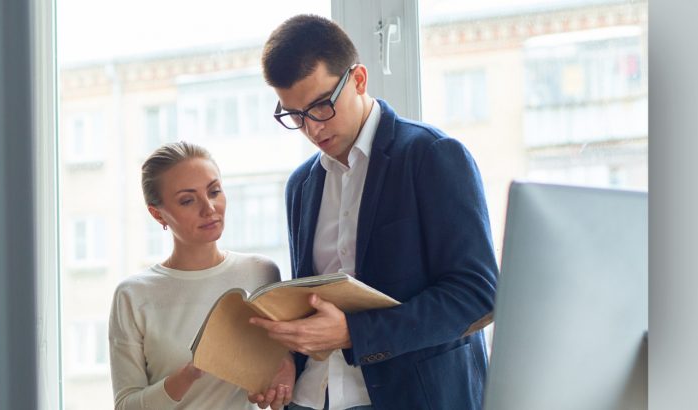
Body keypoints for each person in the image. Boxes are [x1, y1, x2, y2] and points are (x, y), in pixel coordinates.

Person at [247, 15, 499, 410]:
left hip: (415, 398)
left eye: (319, 107)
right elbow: (311, 302)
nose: (311, 129)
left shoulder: (431, 156)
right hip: (315, 399)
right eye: (294, 116)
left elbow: (478, 296)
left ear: (359, 80)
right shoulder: (301, 185)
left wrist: (353, 334)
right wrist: (287, 360)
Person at [109, 141, 294, 410]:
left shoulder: (261, 273)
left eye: (214, 191)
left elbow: (283, 361)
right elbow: (126, 405)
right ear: (157, 214)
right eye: (187, 200)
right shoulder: (133, 295)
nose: (209, 208)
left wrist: (284, 369)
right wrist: (187, 376)